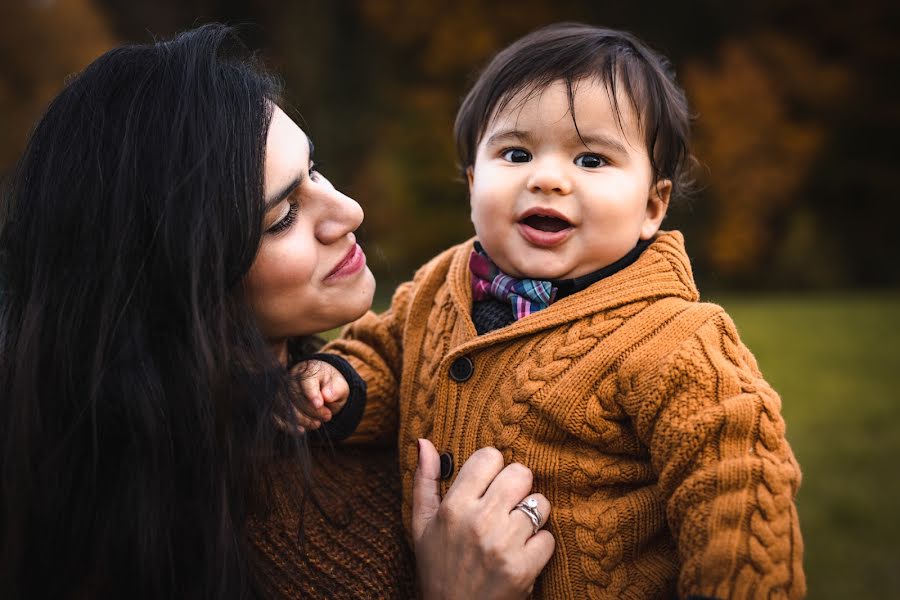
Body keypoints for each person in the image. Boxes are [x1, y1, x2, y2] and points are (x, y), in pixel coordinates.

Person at [0, 25, 555, 599]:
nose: (351, 211)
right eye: (284, 216)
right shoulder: (125, 537)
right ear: (182, 278)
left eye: (315, 171)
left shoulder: (369, 398)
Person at [299, 23, 806, 599]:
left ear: (651, 206)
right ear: (472, 185)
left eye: (591, 160)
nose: (546, 178)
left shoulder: (679, 340)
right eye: (516, 153)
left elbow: (734, 485)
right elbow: (386, 352)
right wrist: (340, 384)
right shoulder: (441, 283)